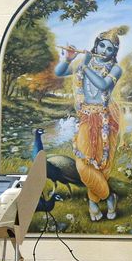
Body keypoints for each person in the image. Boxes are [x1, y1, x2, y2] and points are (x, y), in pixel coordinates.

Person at [55, 26, 127, 222]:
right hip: (86, 118)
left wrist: (85, 67)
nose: (104, 50)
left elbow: (102, 85)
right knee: (84, 163)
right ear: (96, 45)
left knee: (103, 163)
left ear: (114, 52)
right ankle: (108, 196)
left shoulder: (115, 68)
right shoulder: (84, 61)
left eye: (109, 48)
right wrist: (68, 59)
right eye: (101, 45)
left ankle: (93, 201)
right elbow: (59, 72)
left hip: (105, 119)